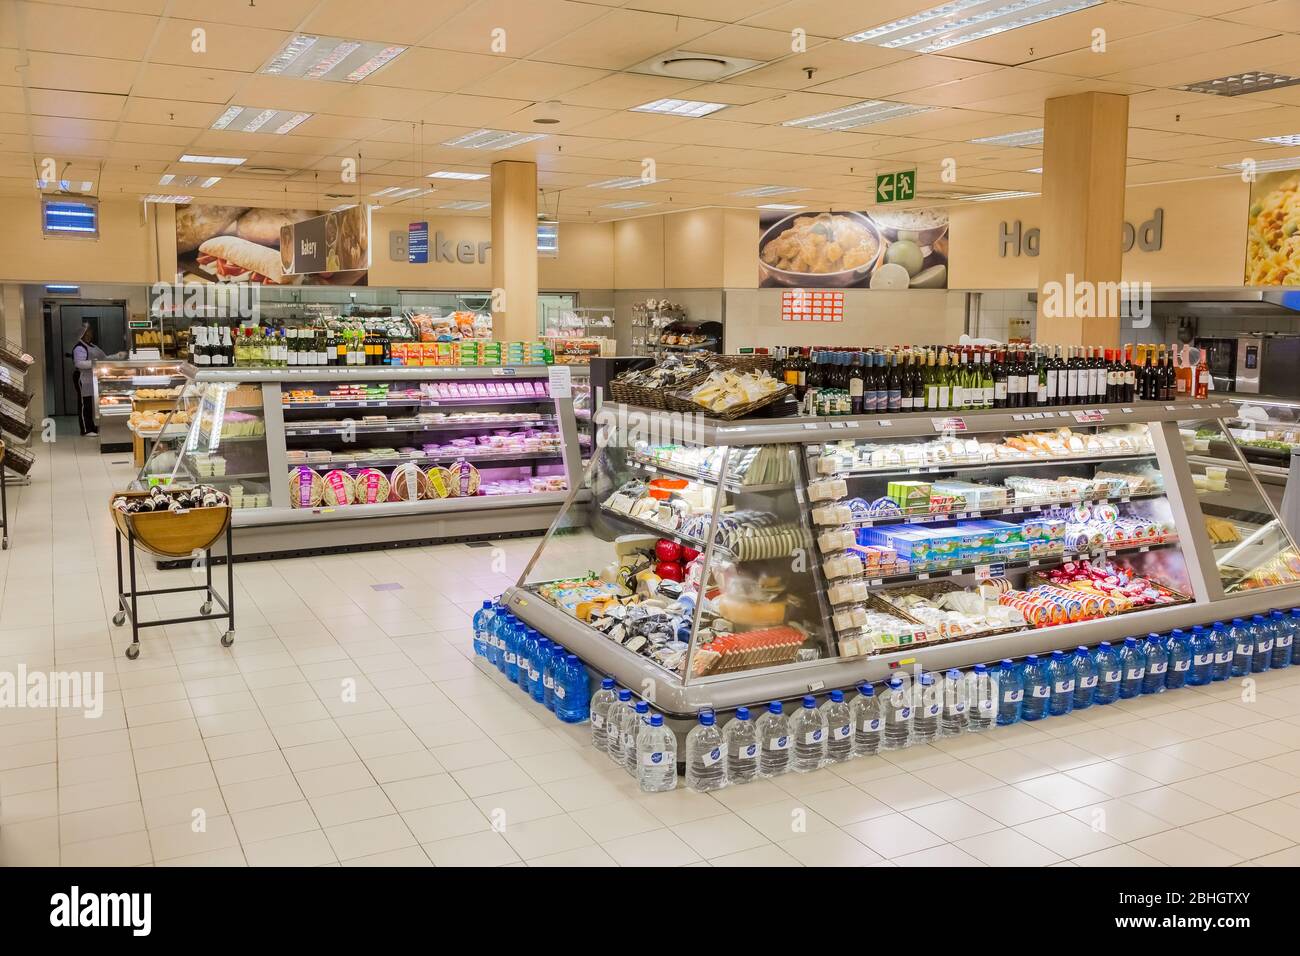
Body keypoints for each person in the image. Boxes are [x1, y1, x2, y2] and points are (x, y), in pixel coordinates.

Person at [71, 324, 110, 437]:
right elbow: (79, 363)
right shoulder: (79, 347)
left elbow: (104, 358)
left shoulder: (93, 346)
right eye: (87, 333)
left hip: (92, 377)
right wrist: (94, 363)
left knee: (91, 404)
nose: (90, 335)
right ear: (82, 335)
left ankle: (93, 427)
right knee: (84, 403)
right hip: (82, 377)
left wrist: (116, 356)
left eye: (90, 332)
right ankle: (85, 429)